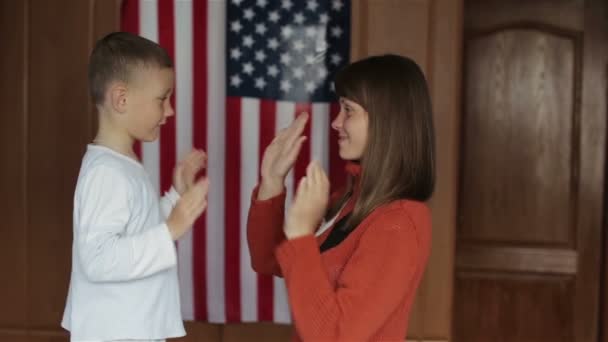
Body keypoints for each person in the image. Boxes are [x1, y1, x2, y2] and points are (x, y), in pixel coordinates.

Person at [247, 54, 435, 341]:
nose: (336, 122)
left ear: (386, 120)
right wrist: (272, 181)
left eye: (348, 110)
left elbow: (334, 336)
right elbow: (269, 260)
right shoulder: (349, 200)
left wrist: (301, 235)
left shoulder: (398, 223)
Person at [62, 32, 209, 342]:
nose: (169, 111)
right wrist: (170, 229)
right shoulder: (106, 173)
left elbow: (136, 230)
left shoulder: (120, 165)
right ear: (121, 99)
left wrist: (175, 197)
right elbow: (98, 259)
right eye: (162, 99)